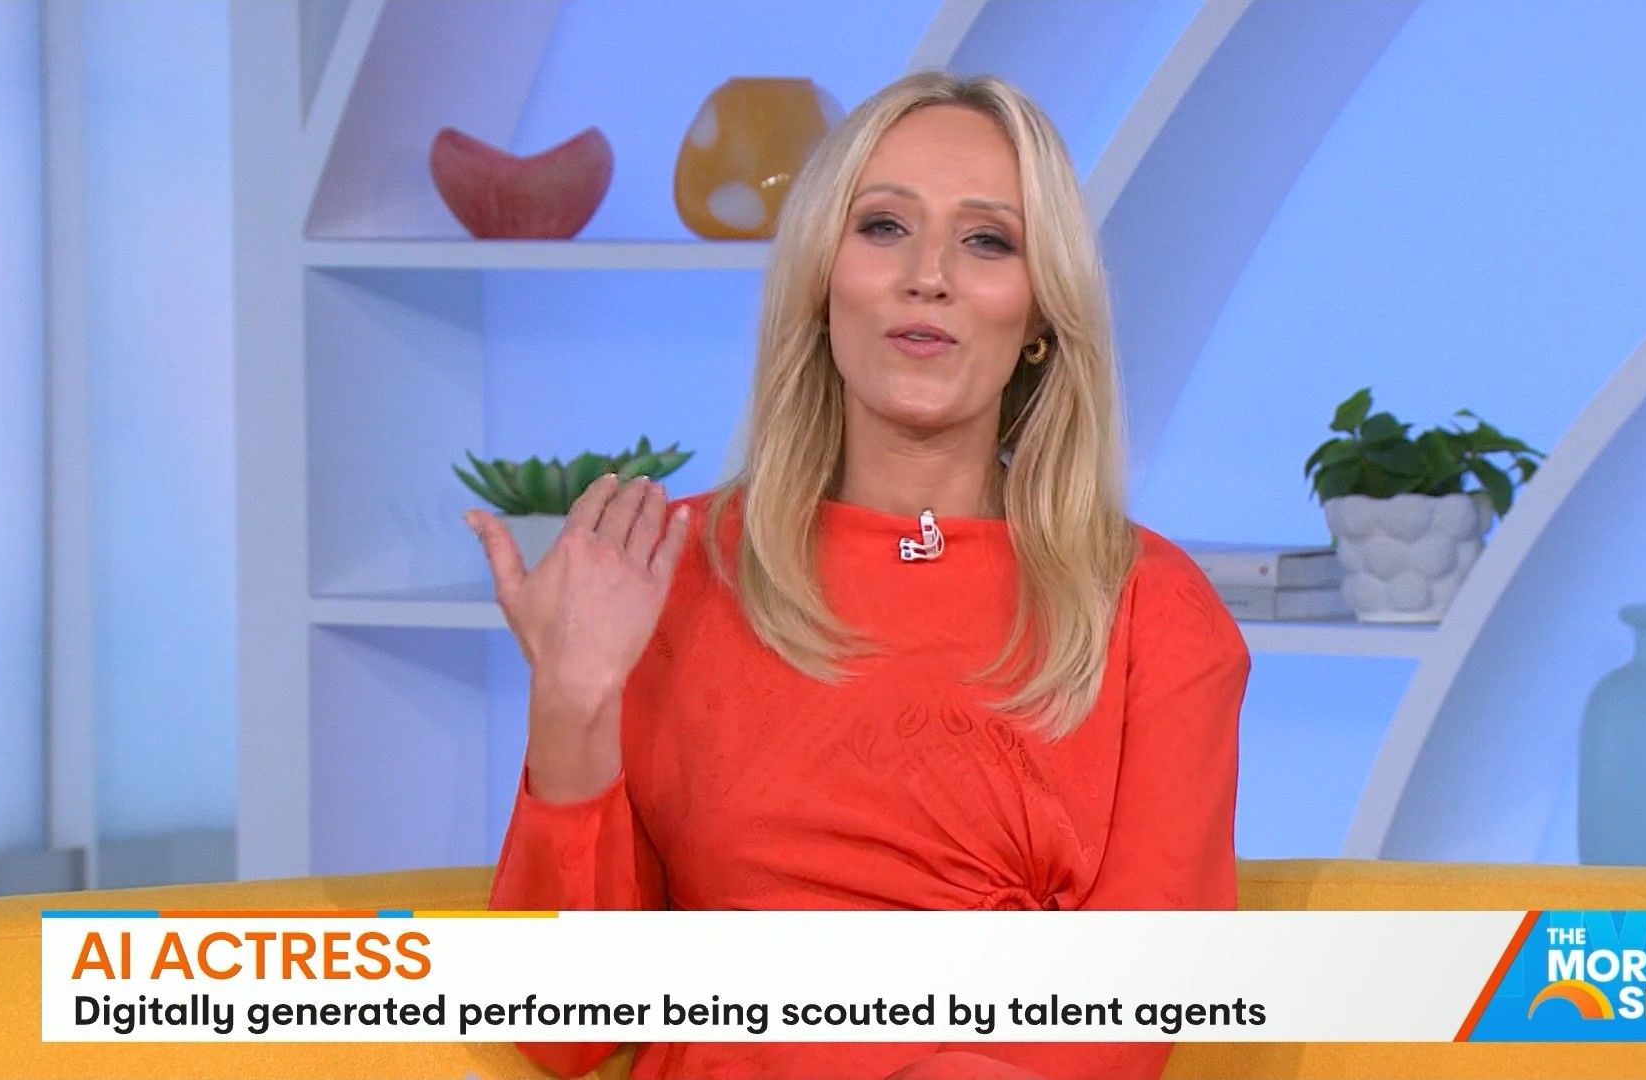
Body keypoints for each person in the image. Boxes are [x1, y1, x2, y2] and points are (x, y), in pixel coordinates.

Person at [465, 69, 1251, 1080]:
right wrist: (571, 702)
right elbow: (563, 1030)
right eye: (883, 227)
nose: (929, 275)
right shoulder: (665, 571)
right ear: (821, 279)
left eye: (988, 240)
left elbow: (1122, 1023)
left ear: (1042, 316)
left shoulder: (1154, 609)